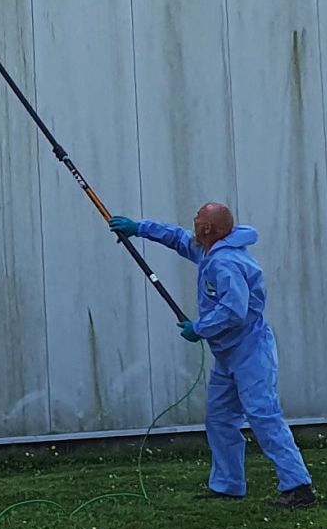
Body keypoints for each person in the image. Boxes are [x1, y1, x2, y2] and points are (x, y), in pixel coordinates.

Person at [108, 202, 316, 509]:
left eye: (198, 219)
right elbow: (178, 238)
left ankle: (299, 487)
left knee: (263, 415)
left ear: (207, 229)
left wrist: (200, 328)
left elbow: (234, 310)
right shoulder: (209, 251)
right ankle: (229, 485)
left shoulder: (225, 263)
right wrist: (139, 228)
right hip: (228, 355)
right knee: (219, 419)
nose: (193, 222)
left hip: (250, 352)